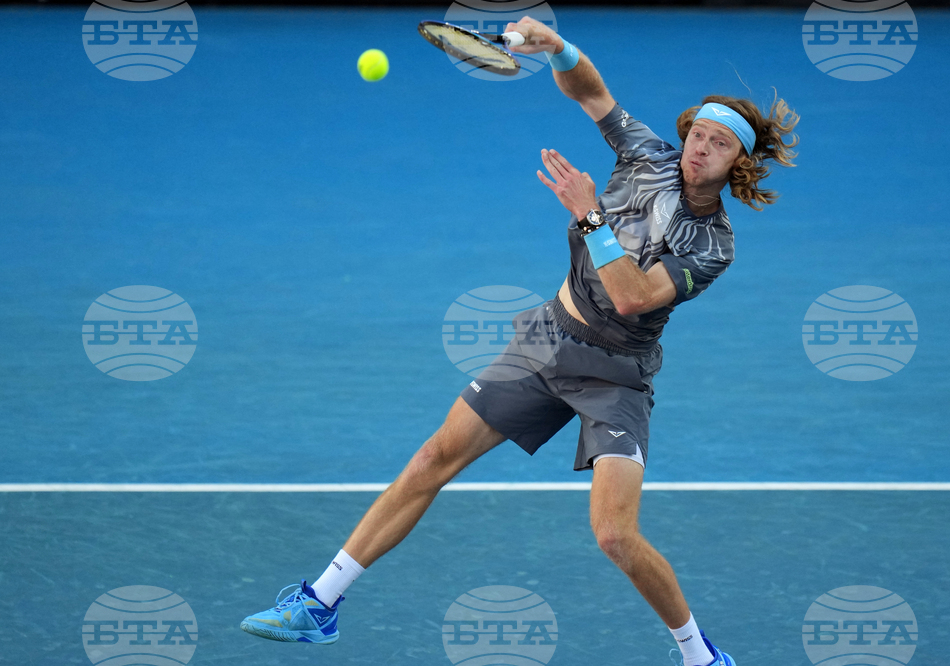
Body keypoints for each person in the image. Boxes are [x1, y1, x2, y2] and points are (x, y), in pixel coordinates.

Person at [240, 16, 799, 666]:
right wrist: (558, 48)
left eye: (717, 145)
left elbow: (632, 297)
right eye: (696, 135)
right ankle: (319, 604)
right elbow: (593, 93)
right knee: (431, 460)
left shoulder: (714, 245)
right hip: (548, 342)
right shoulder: (646, 155)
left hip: (615, 378)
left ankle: (700, 655)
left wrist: (590, 214)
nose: (698, 149)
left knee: (615, 537)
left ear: (738, 164)